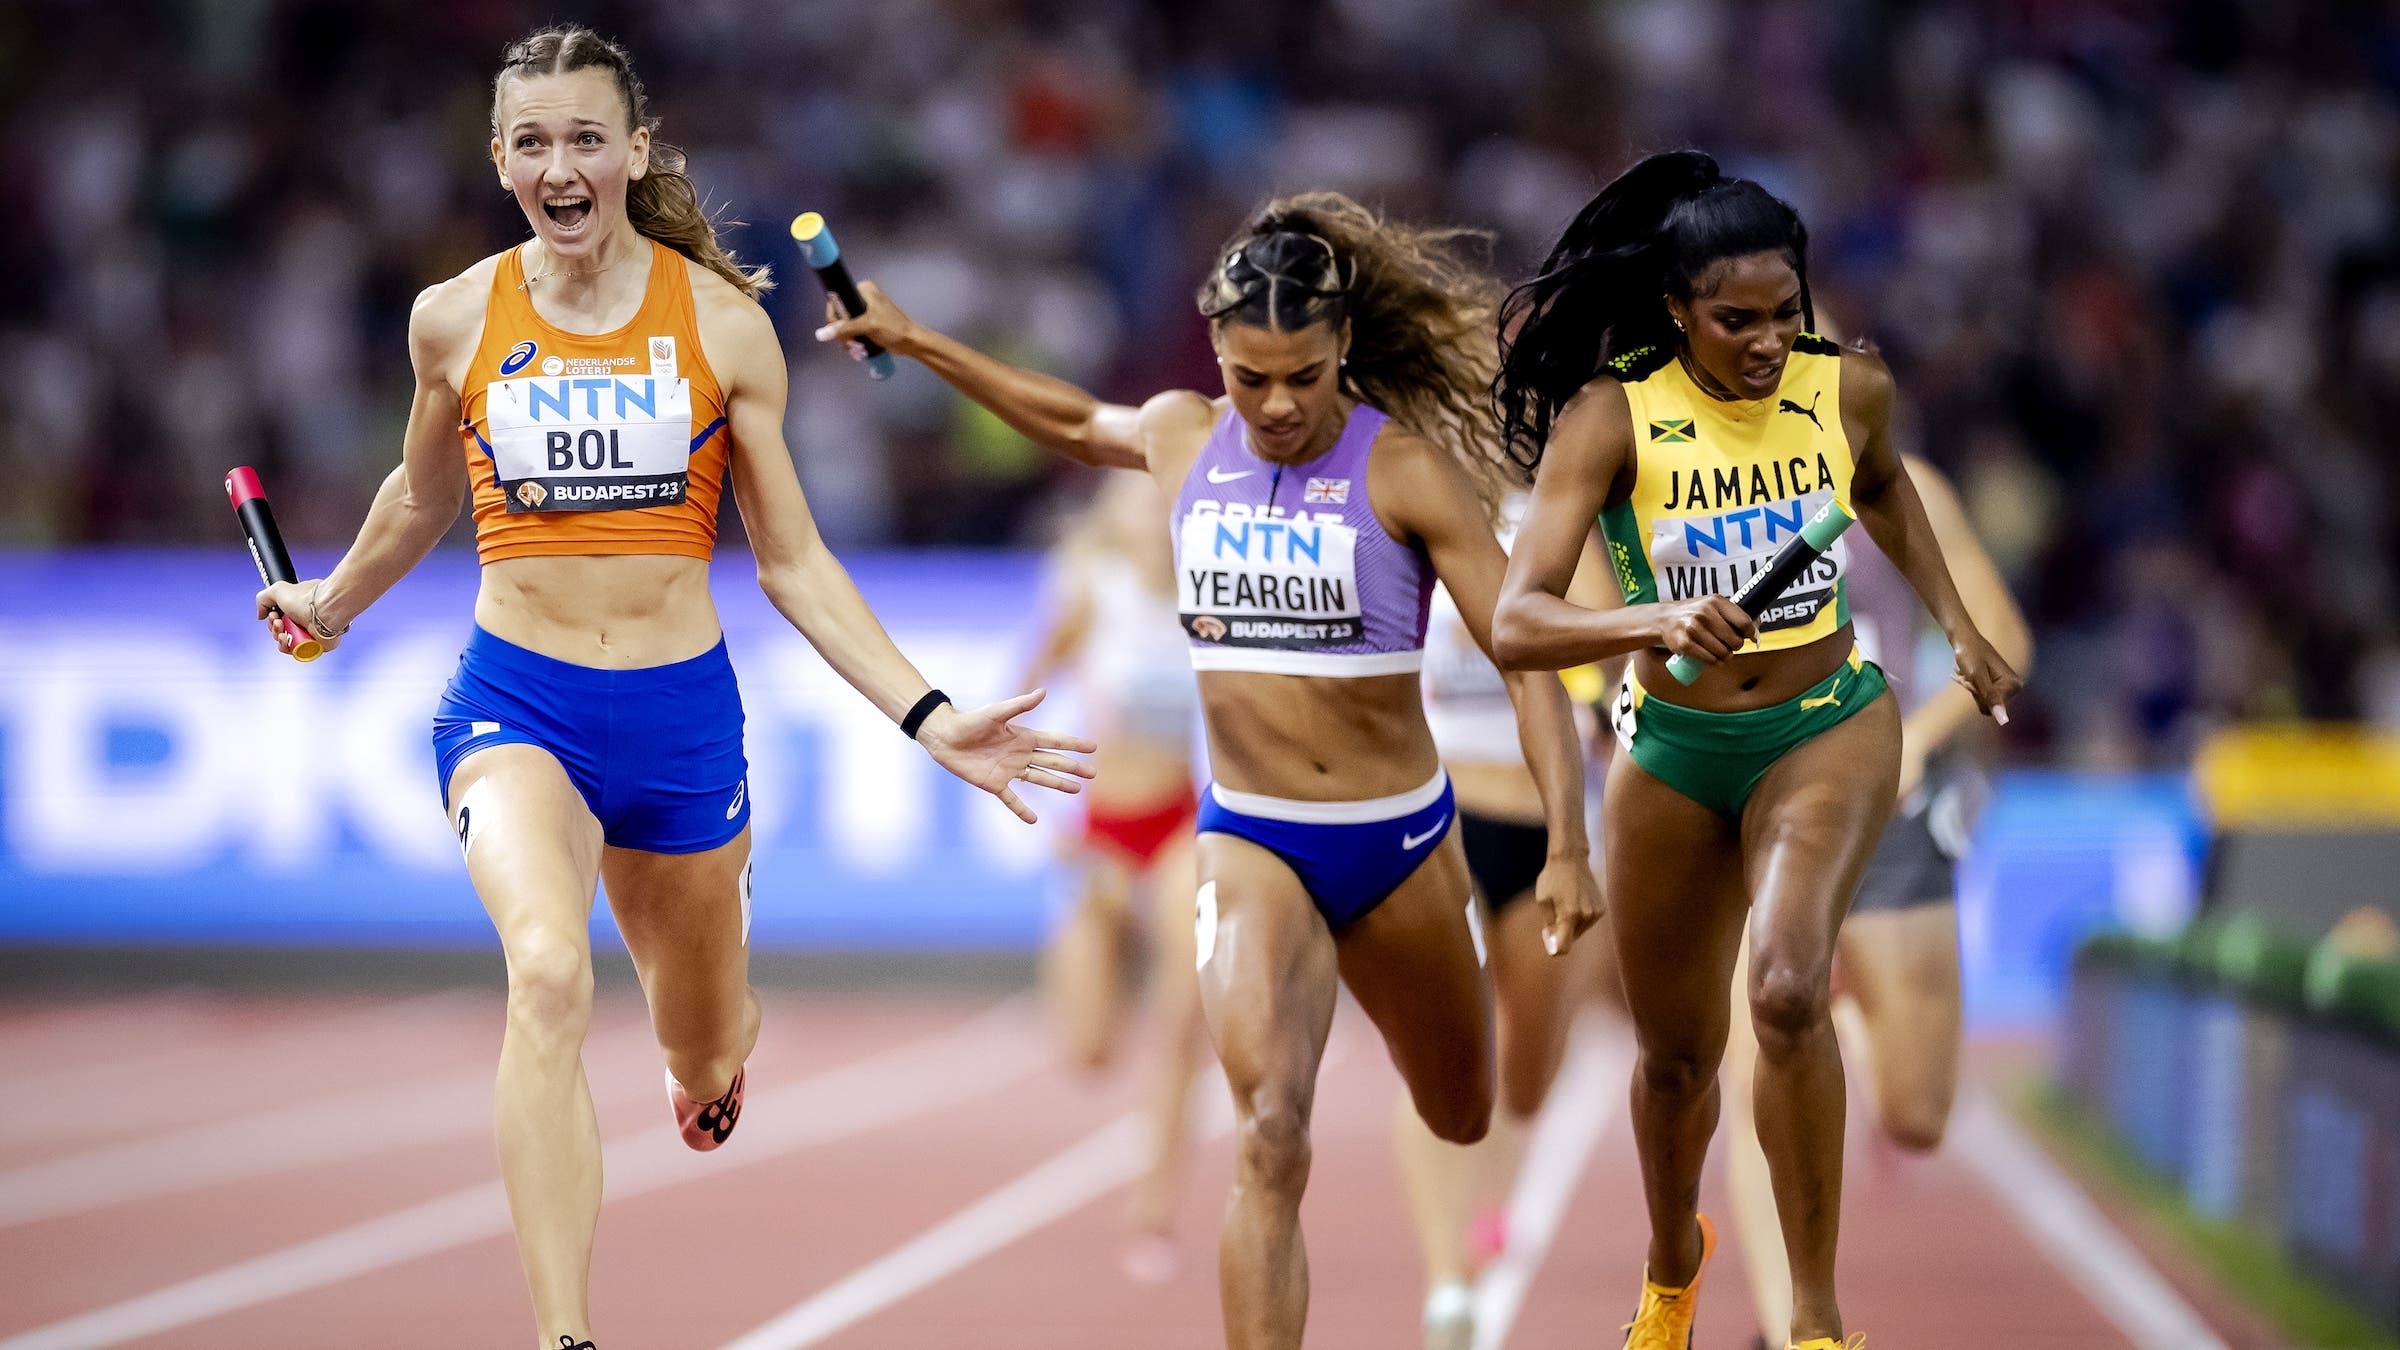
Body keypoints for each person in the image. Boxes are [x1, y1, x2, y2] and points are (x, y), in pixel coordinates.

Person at [249, 27, 1092, 1349]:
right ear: (499, 161)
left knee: (703, 1046)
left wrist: (931, 717)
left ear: (636, 153)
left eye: (587, 136)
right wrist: (332, 602)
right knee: (545, 973)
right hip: (513, 701)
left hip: (679, 722)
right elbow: (422, 493)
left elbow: (793, 560)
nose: (560, 163)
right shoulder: (455, 318)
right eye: (532, 141)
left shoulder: (721, 326)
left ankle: (707, 1041)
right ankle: (565, 1334)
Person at [821, 191, 1601, 1350]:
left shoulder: (1408, 473)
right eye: (1251, 377)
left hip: (1397, 842)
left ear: (1344, 350)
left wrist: (1571, 845)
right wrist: (918, 338)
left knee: (1463, 1105)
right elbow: (1072, 419)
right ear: (1216, 356)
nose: (1278, 405)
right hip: (1252, 840)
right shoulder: (1185, 434)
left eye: (1304, 376)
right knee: (1268, 1132)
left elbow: (1530, 658)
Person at [1488, 150, 2022, 1350]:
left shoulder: (1851, 390)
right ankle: (1674, 1264)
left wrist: (1958, 626)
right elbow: (1519, 624)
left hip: (1829, 724)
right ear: (1677, 310)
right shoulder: (1611, 417)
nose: (1770, 340)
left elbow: (1884, 488)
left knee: (1786, 990)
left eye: (1786, 312)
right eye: (1737, 320)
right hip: (1673, 750)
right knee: (1676, 1063)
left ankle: (1818, 1322)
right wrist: (1651, 618)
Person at [1717, 450, 2034, 1348]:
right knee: (1752, 1078)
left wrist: (1920, 742)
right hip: (1754, 798)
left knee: (1917, 1115)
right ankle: (1792, 1334)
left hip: (1886, 807)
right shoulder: (1682, 471)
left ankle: (1841, 1036)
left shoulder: (1899, 483)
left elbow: (2004, 633)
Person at [1399, 499, 1618, 1350]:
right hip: (1439, 819)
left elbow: (1605, 639)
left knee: (1525, 1071)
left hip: (1543, 830)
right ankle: (1445, 1282)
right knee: (1437, 1049)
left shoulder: (1558, 519)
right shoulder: (1407, 505)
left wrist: (1593, 692)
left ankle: (1498, 1186)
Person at [1019, 471, 1208, 1281]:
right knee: (1089, 1051)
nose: (1151, 512)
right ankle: (1109, 954)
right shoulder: (1093, 591)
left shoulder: (1218, 594)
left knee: (1183, 1015)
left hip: (1183, 824)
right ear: (1114, 515)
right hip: (1102, 832)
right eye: (1136, 498)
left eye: (1165, 496)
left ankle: (1155, 1207)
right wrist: (1043, 816)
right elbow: (1022, 697)